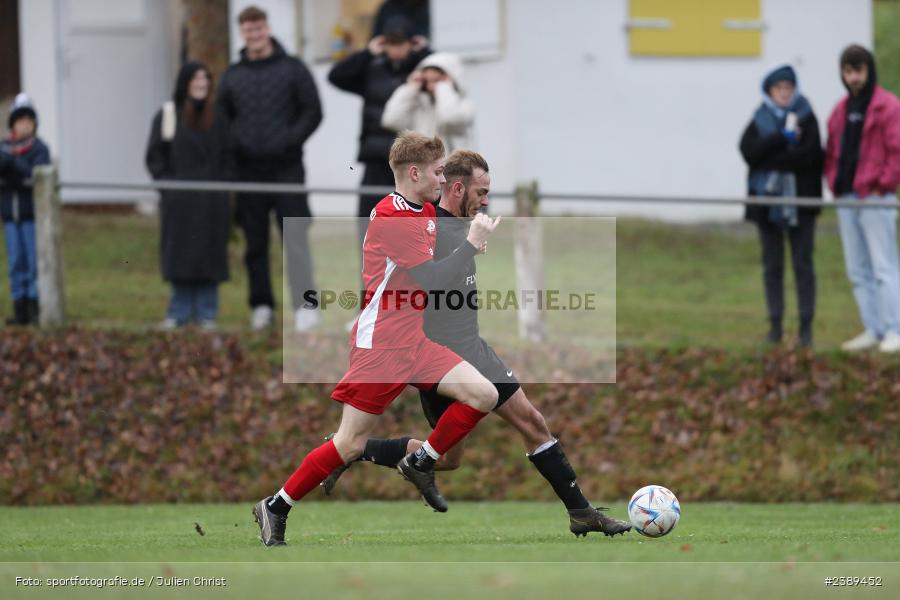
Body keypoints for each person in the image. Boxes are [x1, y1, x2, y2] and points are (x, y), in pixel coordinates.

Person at [318, 150, 632, 538]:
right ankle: (581, 512)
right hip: (445, 355)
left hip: (469, 347)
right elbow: (421, 280)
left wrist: (469, 242)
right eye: (481, 192)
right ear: (457, 186)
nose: (486, 201)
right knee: (521, 427)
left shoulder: (459, 226)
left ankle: (349, 448)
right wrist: (466, 246)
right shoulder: (429, 226)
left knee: (453, 457)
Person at [252, 132, 503, 546]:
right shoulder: (393, 217)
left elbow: (441, 263)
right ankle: (275, 506)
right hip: (382, 345)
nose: (443, 180)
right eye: (438, 172)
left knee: (484, 394)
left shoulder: (421, 209)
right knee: (348, 443)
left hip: (415, 342)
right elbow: (433, 278)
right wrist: (471, 246)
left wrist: (467, 242)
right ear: (414, 172)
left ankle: (420, 461)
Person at [217, 5, 323, 332]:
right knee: (255, 244)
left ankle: (305, 307)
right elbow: (223, 119)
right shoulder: (232, 76)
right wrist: (238, 144)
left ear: (267, 29)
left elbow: (312, 111)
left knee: (295, 239)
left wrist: (289, 140)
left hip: (287, 169)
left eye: (259, 28)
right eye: (249, 30)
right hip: (249, 173)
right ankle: (261, 305)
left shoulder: (293, 69)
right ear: (243, 33)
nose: (255, 34)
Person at [327, 15, 430, 251]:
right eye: (391, 43)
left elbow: (444, 69)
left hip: (410, 162)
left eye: (401, 43)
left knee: (413, 231)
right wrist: (366, 53)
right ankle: (372, 286)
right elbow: (336, 76)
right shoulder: (371, 69)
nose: (396, 49)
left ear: (411, 43)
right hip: (375, 159)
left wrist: (423, 52)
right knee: (369, 226)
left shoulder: (422, 71)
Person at [739, 65, 824, 348]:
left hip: (800, 205)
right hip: (768, 207)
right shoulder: (759, 119)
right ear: (769, 92)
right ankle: (775, 326)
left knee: (803, 265)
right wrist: (780, 141)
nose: (784, 93)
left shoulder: (806, 117)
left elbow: (811, 156)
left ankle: (805, 328)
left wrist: (772, 158)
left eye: (788, 88)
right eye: (779, 89)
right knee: (772, 266)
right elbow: (749, 152)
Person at [824, 45, 900, 353]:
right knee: (857, 268)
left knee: (884, 265)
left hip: (875, 196)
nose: (854, 77)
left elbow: (896, 151)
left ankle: (895, 328)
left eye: (859, 70)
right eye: (848, 71)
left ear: (869, 70)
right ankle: (874, 327)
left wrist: (884, 184)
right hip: (848, 197)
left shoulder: (888, 107)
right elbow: (832, 152)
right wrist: (835, 183)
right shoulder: (841, 110)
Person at [145, 62, 230, 330]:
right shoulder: (168, 114)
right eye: (196, 79)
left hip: (211, 200)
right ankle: (178, 311)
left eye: (206, 79)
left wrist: (221, 186)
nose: (201, 84)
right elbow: (154, 156)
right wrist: (169, 187)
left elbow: (229, 154)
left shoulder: (219, 116)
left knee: (209, 256)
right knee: (180, 255)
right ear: (185, 82)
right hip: (179, 201)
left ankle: (207, 313)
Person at [0, 94, 50, 326]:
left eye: (29, 120)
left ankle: (34, 309)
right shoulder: (5, 148)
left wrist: (15, 164)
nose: (25, 125)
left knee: (32, 263)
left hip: (31, 216)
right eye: (20, 120)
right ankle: (19, 309)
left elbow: (34, 174)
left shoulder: (39, 149)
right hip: (11, 216)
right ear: (13, 124)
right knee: (15, 263)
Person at [381, 52, 474, 153]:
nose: (430, 86)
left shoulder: (463, 104)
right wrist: (409, 88)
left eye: (437, 80)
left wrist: (444, 89)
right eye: (426, 81)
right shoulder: (416, 102)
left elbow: (450, 120)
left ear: (451, 79)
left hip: (455, 165)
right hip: (422, 164)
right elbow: (390, 121)